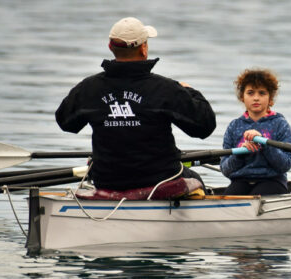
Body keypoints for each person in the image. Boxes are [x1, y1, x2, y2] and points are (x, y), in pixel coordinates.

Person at [55, 17, 216, 196]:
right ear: (143, 48)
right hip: (159, 180)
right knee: (196, 179)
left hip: (107, 180)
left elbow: (65, 122)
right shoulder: (166, 89)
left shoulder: (88, 88)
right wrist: (191, 92)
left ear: (110, 47)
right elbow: (205, 127)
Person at [219, 68, 291, 195]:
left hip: (272, 181)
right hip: (241, 181)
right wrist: (240, 154)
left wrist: (264, 143)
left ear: (270, 99)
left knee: (255, 197)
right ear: (242, 97)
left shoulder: (280, 124)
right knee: (228, 198)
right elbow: (225, 169)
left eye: (262, 93)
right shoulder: (234, 126)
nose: (256, 98)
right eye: (251, 93)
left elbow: (285, 165)